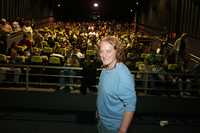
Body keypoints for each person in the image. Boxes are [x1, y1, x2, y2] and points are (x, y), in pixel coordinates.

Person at [96, 36, 137, 133]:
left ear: (117, 51)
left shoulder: (123, 75)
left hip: (114, 127)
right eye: (101, 51)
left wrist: (122, 130)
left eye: (108, 51)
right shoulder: (105, 68)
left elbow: (130, 105)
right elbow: (102, 93)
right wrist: (98, 110)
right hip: (102, 120)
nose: (104, 55)